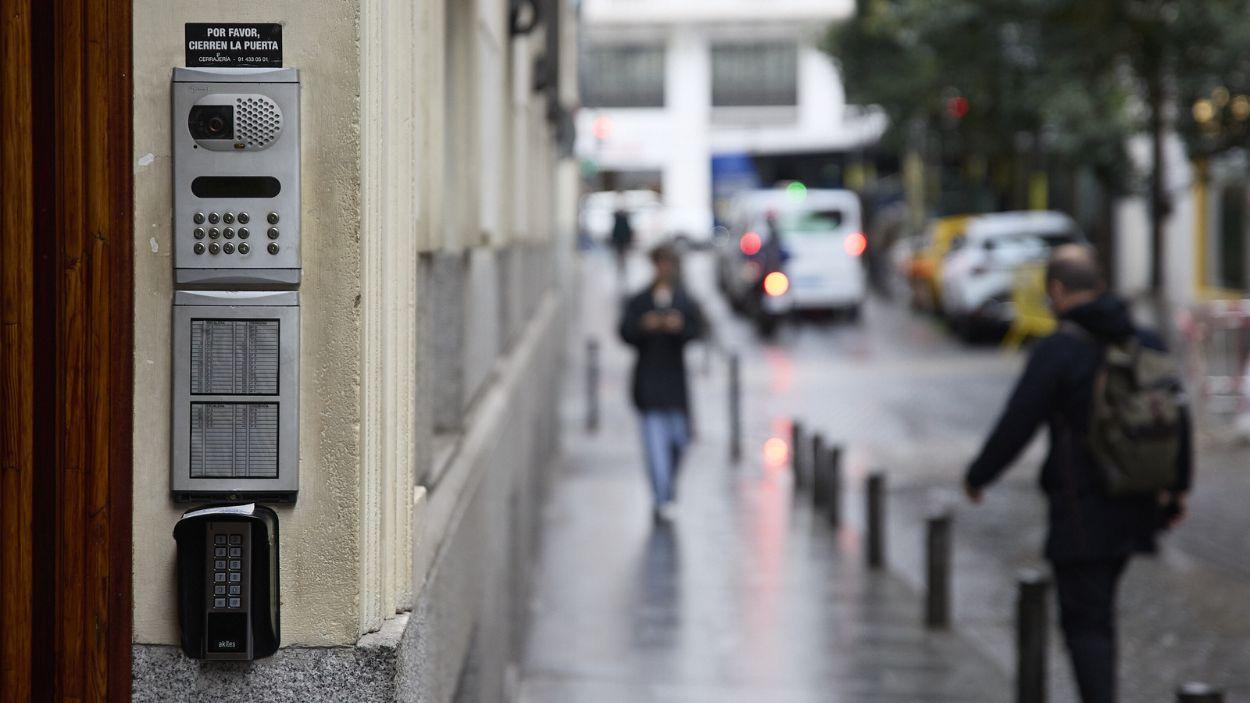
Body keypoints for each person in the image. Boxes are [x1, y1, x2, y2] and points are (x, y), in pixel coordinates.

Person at [963, 244, 1191, 703]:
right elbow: (1177, 414)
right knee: (1100, 613)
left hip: (1080, 508)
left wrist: (979, 476)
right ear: (1101, 286)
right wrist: (1179, 487)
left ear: (1058, 290)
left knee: (1086, 625)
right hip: (1137, 500)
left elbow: (1018, 421)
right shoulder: (1144, 340)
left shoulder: (1060, 349)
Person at [619, 244, 705, 521]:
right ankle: (661, 498)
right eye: (660, 263)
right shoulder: (641, 300)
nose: (664, 269)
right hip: (649, 383)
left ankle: (667, 489)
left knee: (679, 442)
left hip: (675, 385)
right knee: (655, 447)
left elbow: (698, 329)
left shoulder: (683, 299)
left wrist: (678, 326)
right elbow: (625, 331)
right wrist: (646, 325)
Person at [610, 202, 635, 280]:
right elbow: (615, 230)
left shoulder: (624, 218)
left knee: (622, 253)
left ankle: (622, 264)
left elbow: (627, 230)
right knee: (619, 253)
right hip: (619, 239)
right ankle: (620, 264)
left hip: (623, 239)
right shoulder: (618, 219)